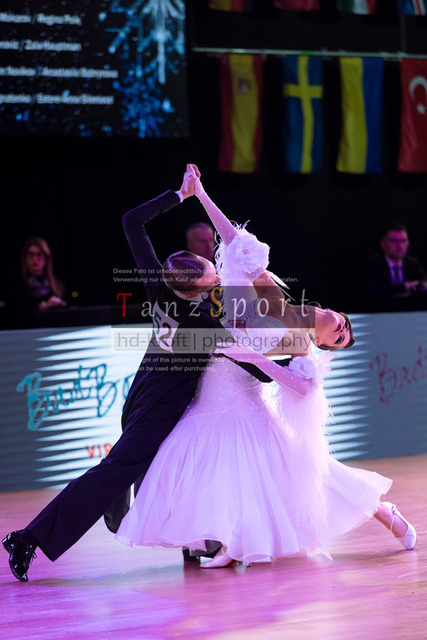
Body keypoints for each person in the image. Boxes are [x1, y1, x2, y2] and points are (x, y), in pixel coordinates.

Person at [114, 166, 416, 568]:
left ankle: (380, 510)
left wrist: (252, 357)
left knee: (293, 473)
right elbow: (234, 241)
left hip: (242, 393)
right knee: (196, 461)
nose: (341, 328)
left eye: (339, 337)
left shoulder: (299, 341)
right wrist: (200, 194)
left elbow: (302, 388)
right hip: (209, 390)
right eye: (344, 324)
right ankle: (226, 542)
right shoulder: (274, 300)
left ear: (323, 343)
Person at [2, 165, 266, 582]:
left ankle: (196, 542)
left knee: (181, 465)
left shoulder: (159, 287)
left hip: (143, 395)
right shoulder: (202, 324)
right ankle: (28, 538)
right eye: (210, 272)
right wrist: (295, 361)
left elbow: (131, 221)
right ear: (195, 289)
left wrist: (179, 195)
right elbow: (256, 365)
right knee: (114, 473)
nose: (216, 271)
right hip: (157, 411)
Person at [4, 236, 67, 328]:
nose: (35, 259)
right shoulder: (16, 285)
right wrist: (44, 306)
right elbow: (15, 316)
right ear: (25, 258)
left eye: (39, 254)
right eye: (30, 255)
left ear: (46, 257)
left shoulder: (57, 285)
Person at [364, 222, 427, 311]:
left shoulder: (413, 263)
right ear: (383, 243)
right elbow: (374, 292)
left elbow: (424, 283)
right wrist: (405, 286)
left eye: (403, 241)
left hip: (409, 312)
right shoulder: (373, 264)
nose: (400, 246)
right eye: (394, 241)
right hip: (380, 313)